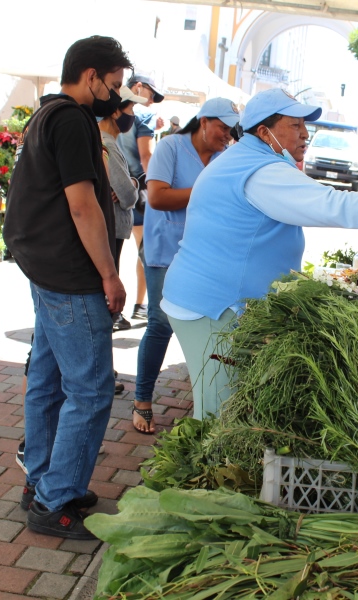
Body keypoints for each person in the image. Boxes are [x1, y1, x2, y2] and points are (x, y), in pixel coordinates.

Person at [161, 88, 358, 419]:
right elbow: (335, 205)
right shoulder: (260, 172)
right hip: (213, 306)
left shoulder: (253, 161)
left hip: (218, 303)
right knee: (218, 415)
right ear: (264, 131)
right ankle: (213, 469)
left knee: (230, 407)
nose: (305, 133)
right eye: (295, 124)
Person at [3, 36, 132, 540]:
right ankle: (55, 501)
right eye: (113, 84)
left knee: (48, 381)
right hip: (71, 275)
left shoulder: (45, 114)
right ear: (91, 75)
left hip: (45, 268)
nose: (115, 96)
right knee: (92, 389)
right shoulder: (73, 120)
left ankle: (44, 483)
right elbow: (83, 206)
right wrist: (109, 273)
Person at [132, 98, 240, 433]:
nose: (226, 134)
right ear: (204, 121)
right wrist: (205, 191)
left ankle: (208, 400)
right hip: (165, 250)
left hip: (206, 253)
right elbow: (157, 197)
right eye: (222, 127)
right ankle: (142, 400)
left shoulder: (225, 158)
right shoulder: (171, 148)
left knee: (208, 326)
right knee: (161, 325)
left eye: (230, 129)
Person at [99, 86, 148, 331]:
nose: (133, 116)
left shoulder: (108, 142)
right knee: (106, 301)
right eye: (131, 109)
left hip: (112, 229)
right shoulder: (107, 143)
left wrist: (131, 183)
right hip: (111, 230)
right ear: (116, 111)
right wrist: (132, 183)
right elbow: (128, 197)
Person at [118, 73, 165, 325]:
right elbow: (146, 156)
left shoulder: (110, 111)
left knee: (113, 250)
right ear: (138, 87)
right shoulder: (142, 116)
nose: (151, 102)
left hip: (111, 187)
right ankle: (139, 304)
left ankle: (114, 311)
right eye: (151, 94)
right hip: (138, 190)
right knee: (145, 250)